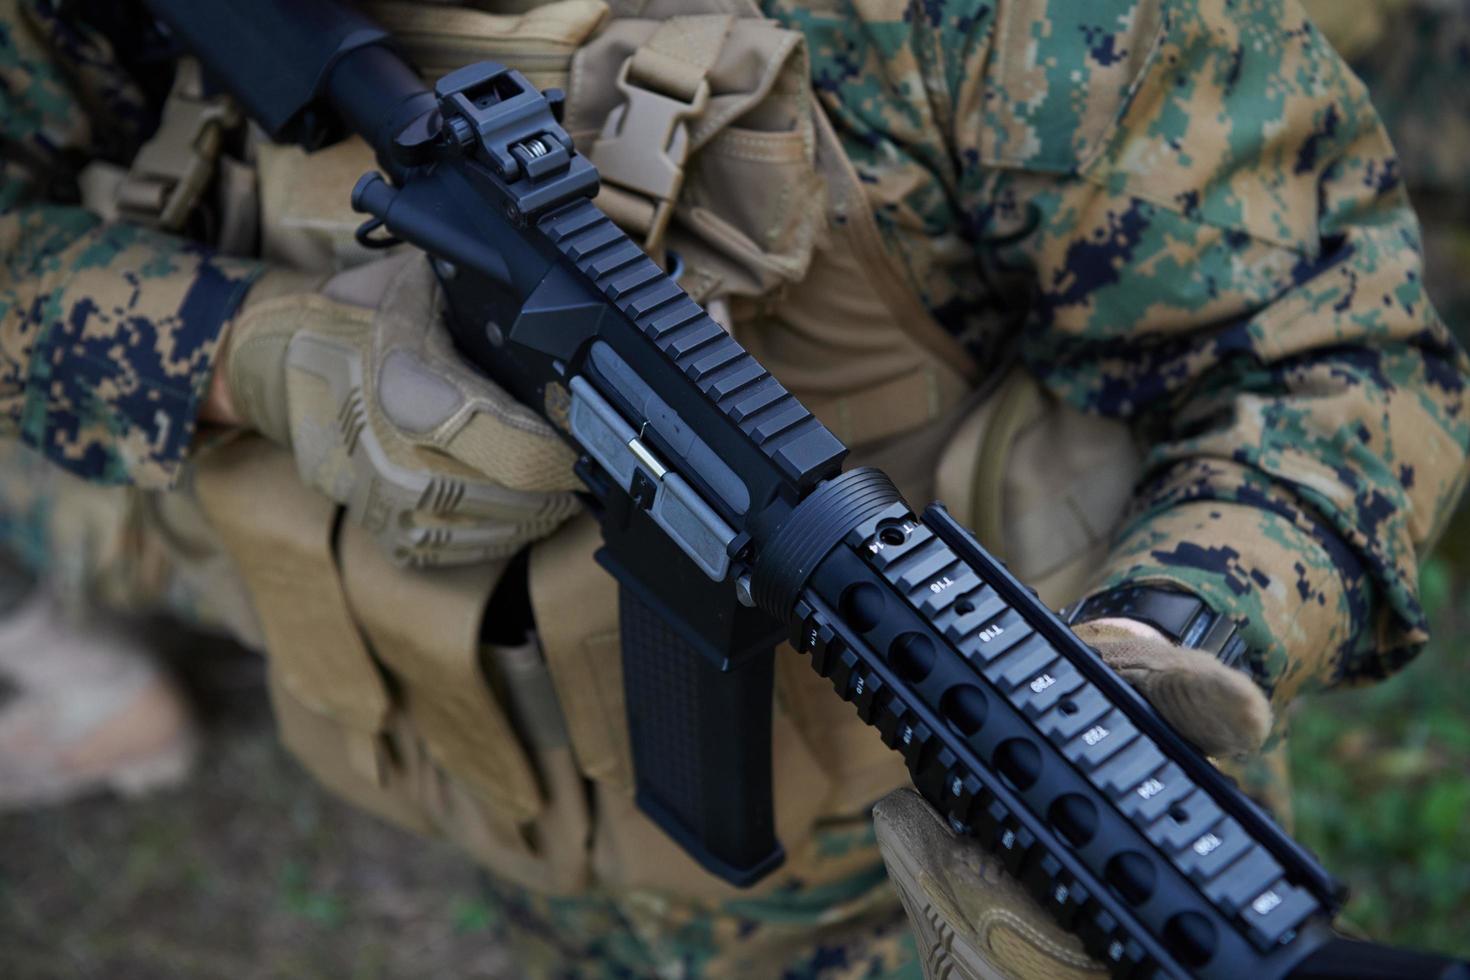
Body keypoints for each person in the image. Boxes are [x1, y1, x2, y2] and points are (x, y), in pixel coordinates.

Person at [1, 1, 1465, 977]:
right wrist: (250, 352)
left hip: (970, 899)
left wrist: (1167, 639)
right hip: (535, 840)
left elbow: (1328, 364)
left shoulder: (995, 28)